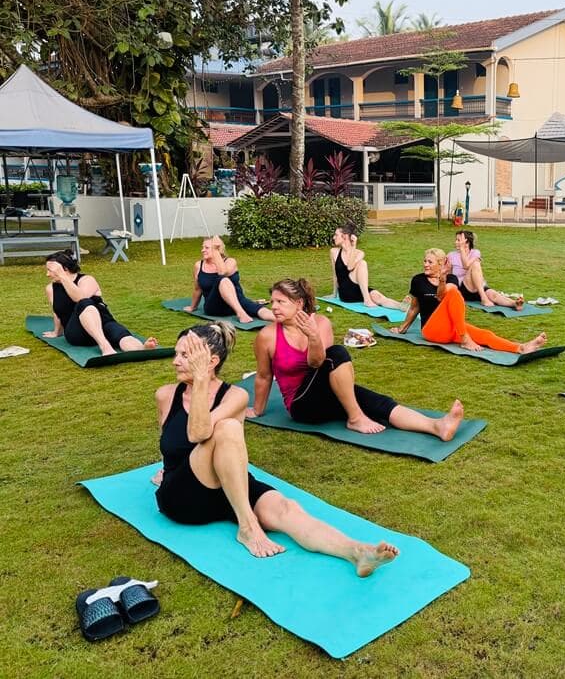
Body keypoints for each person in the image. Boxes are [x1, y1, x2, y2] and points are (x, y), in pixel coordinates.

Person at [153, 321, 398, 571]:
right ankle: (248, 527)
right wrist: (164, 467)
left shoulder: (235, 396)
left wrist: (202, 379)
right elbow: (193, 435)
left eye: (185, 355)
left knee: (286, 509)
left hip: (230, 486)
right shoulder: (166, 394)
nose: (175, 361)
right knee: (227, 428)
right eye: (177, 353)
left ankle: (357, 552)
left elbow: (202, 434)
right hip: (183, 496)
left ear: (212, 361)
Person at [250, 278, 464, 439]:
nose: (274, 307)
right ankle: (355, 418)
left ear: (298, 303)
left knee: (376, 402)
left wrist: (313, 335)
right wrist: (258, 410)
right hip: (302, 405)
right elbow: (264, 376)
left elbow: (322, 367)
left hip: (327, 392)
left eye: (280, 302)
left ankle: (437, 426)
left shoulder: (321, 322)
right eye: (272, 302)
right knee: (336, 354)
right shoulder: (267, 336)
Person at [391, 249, 548, 354]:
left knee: (485, 335)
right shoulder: (418, 280)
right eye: (424, 261)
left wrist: (443, 279)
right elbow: (414, 307)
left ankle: (521, 348)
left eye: (430, 262)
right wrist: (402, 328)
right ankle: (465, 340)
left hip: (452, 328)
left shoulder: (451, 279)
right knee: (455, 295)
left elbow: (444, 294)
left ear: (441, 264)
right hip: (431, 330)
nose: (425, 264)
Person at [42, 250, 158, 356]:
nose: (47, 274)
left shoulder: (87, 280)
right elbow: (58, 312)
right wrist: (56, 332)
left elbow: (79, 297)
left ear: (64, 269)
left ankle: (142, 349)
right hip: (77, 333)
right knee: (84, 303)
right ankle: (105, 347)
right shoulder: (51, 288)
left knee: (121, 335)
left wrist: (62, 276)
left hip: (104, 323)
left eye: (50, 270)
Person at [185, 236, 274, 324]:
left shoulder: (230, 262)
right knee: (222, 280)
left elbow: (222, 271)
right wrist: (192, 307)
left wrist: (216, 251)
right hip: (214, 307)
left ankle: (284, 320)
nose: (202, 250)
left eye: (207, 248)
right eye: (202, 247)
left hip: (238, 301)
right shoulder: (199, 265)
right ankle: (241, 313)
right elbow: (198, 289)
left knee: (259, 309)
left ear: (218, 249)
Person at [329, 223, 402, 309]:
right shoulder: (334, 252)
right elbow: (337, 274)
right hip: (346, 293)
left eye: (336, 235)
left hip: (360, 289)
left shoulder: (359, 253)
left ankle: (403, 306)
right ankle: (367, 300)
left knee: (378, 297)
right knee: (362, 263)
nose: (334, 237)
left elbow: (350, 267)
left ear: (344, 236)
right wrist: (334, 294)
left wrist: (353, 246)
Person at [447, 230, 524, 310]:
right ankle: (483, 298)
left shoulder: (475, 253)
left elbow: (466, 265)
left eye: (458, 240)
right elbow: (464, 267)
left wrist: (463, 249)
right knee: (476, 264)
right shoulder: (451, 255)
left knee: (493, 295)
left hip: (478, 287)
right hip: (463, 288)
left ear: (466, 242)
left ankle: (515, 304)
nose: (455, 242)